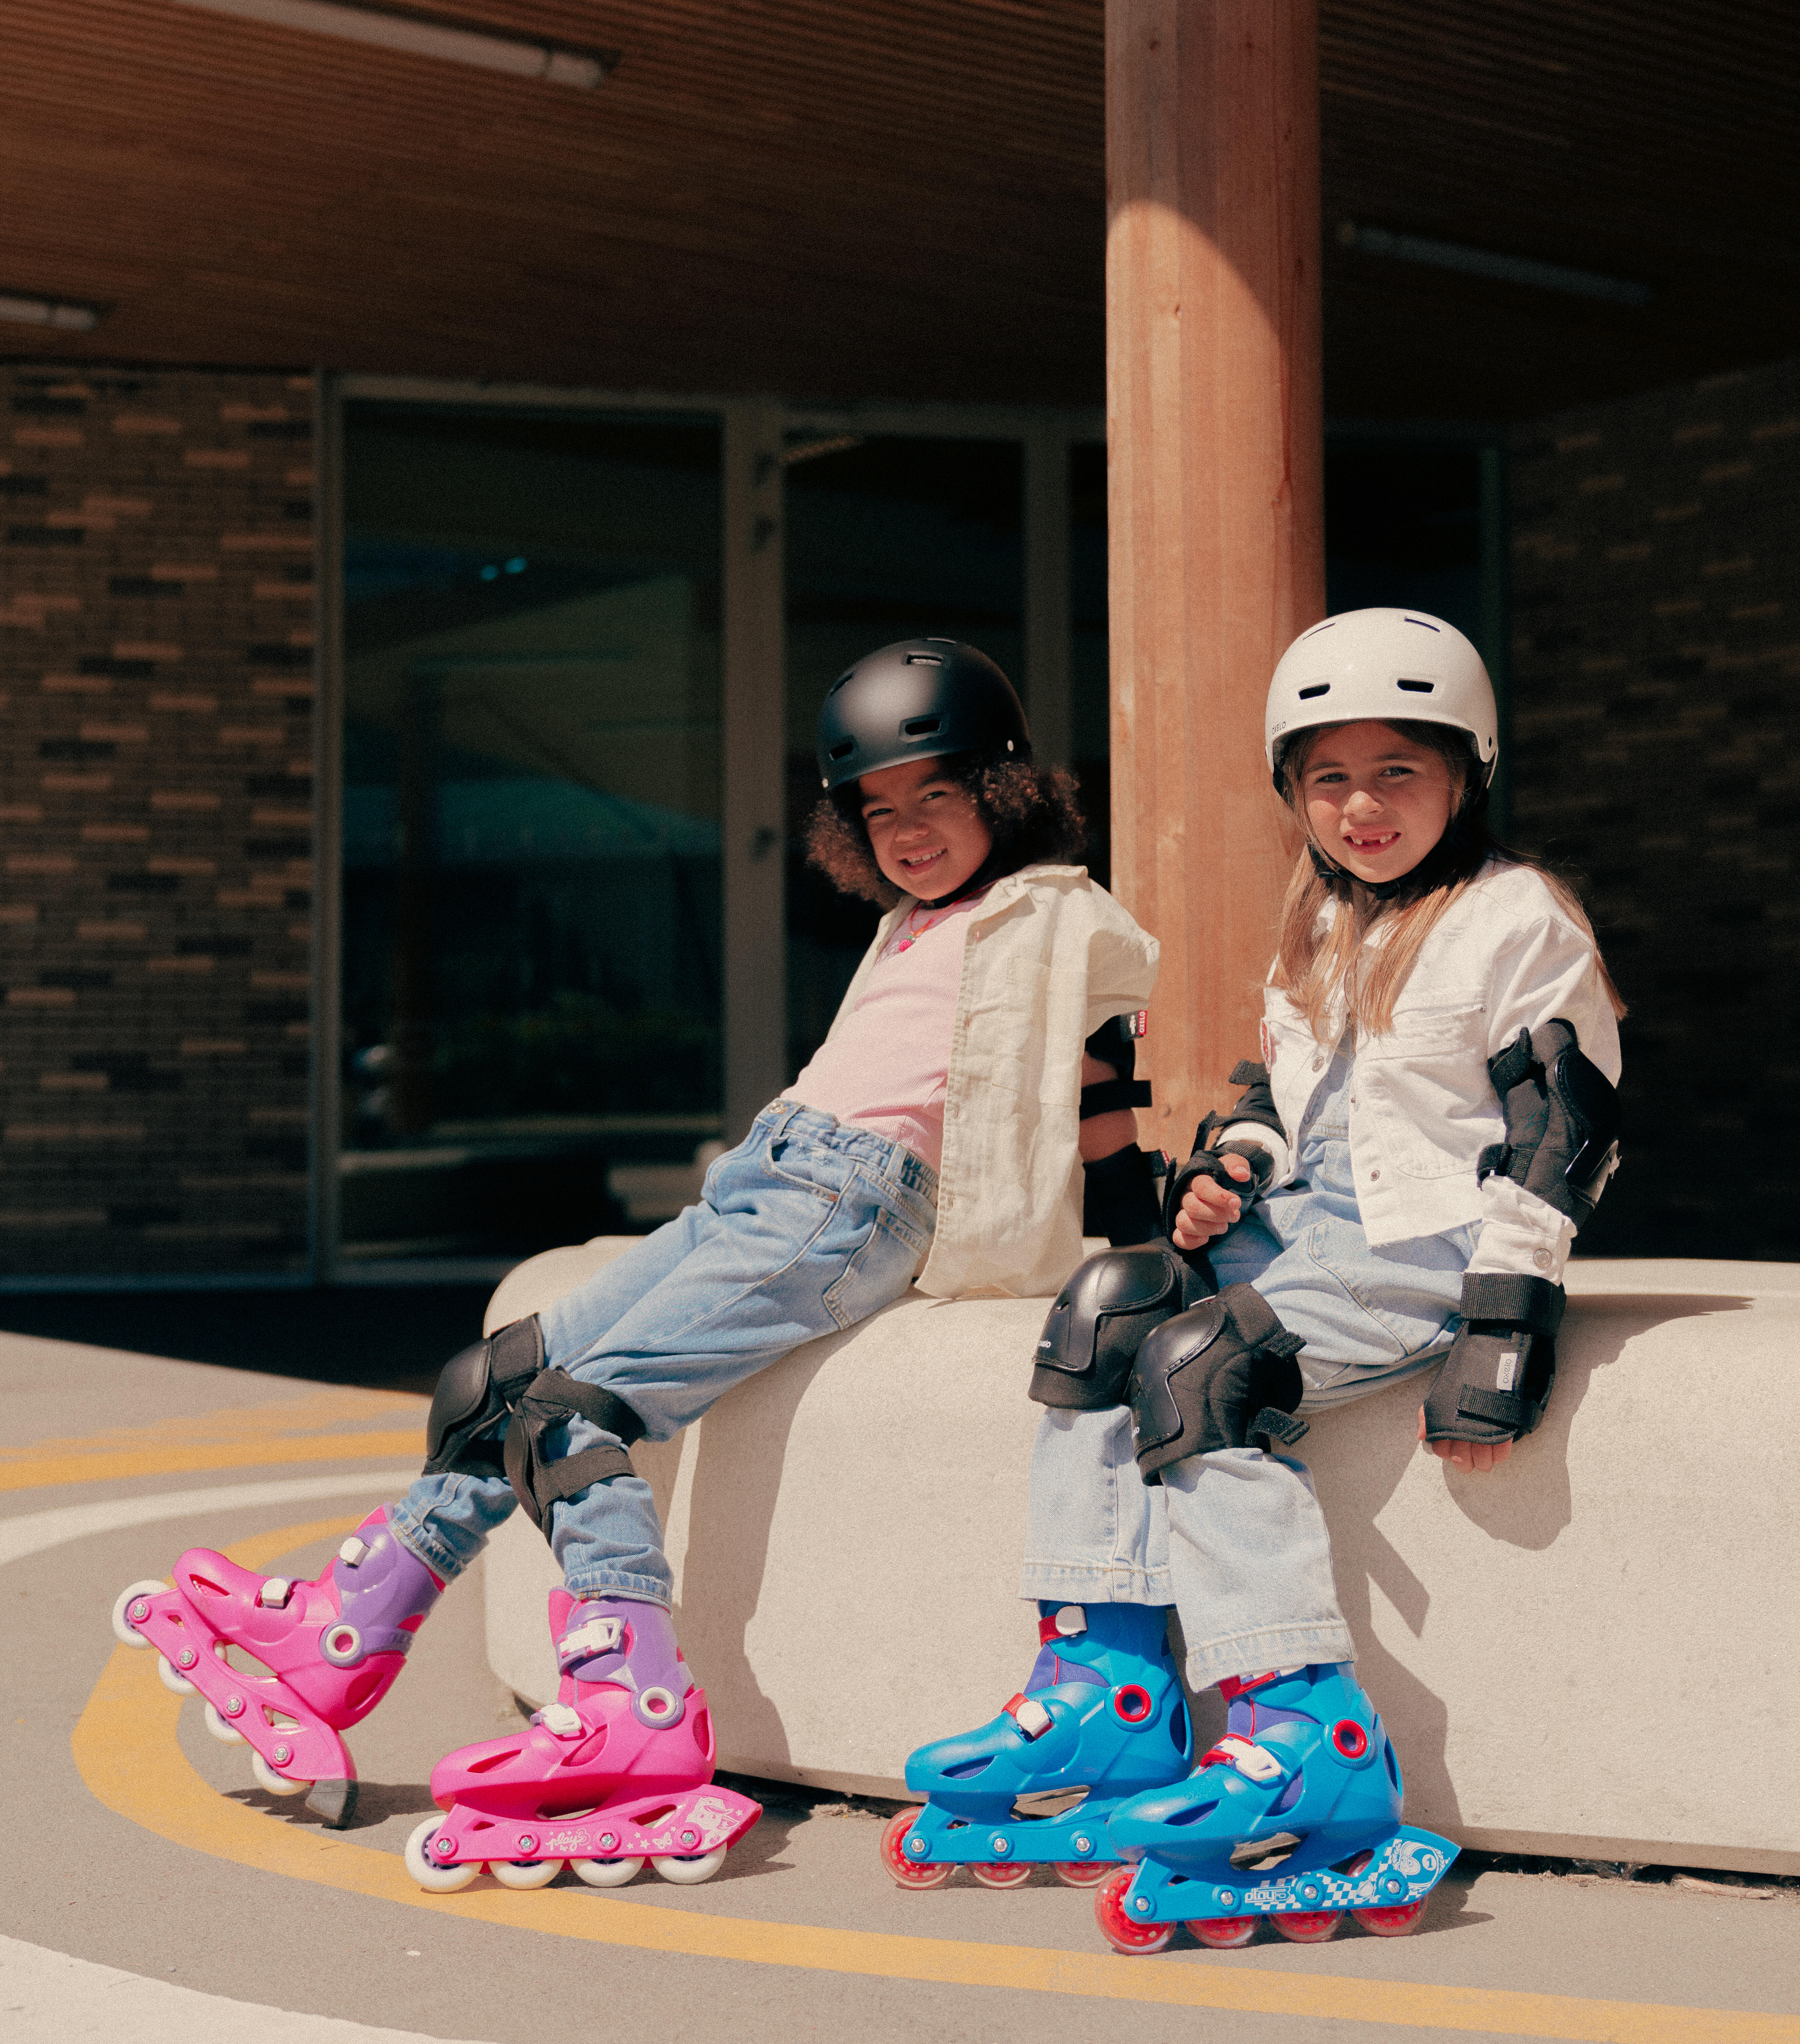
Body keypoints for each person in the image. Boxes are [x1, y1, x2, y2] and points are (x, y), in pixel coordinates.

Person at [111, 637, 1158, 1894]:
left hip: (851, 1207)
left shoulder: (1054, 919)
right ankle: (349, 1638)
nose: (910, 834)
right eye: (878, 813)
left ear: (999, 789)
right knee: (492, 1380)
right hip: (767, 1179)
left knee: (576, 1417)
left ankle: (631, 1696)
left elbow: (1107, 1103)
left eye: (935, 797)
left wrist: (1152, 1255)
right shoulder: (908, 930)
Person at [888, 607, 1624, 1952]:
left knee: (1208, 1368)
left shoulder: (1514, 919)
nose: (1362, 803)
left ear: (1468, 770)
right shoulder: (1328, 921)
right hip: (1310, 1233)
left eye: (1399, 768)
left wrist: (1506, 1326)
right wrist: (1234, 1159)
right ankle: (1104, 1687)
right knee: (1110, 1311)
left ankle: (1308, 1730)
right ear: (1294, 790)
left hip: (1428, 1251)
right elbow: (1282, 1099)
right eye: (1329, 776)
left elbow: (1566, 1130)